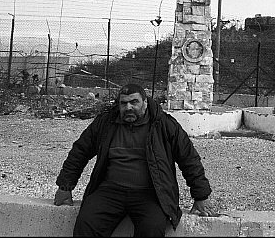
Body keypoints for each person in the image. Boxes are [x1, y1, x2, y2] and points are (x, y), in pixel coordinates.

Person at [54, 83, 216, 236]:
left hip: (151, 194)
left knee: (152, 229)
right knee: (86, 224)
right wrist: (65, 186)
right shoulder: (105, 123)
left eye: (134, 102)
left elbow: (189, 158)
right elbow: (79, 152)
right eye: (123, 103)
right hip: (109, 191)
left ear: (145, 103)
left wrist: (201, 196)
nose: (128, 107)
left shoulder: (164, 125)